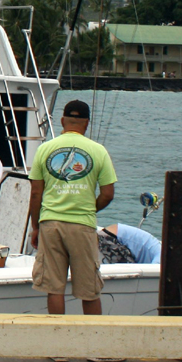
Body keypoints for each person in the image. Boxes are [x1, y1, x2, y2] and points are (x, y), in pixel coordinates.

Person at [28, 100, 116, 317]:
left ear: (62, 121)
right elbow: (107, 194)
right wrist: (89, 209)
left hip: (50, 224)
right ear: (87, 123)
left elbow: (35, 193)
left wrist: (36, 227)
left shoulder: (44, 149)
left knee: (54, 288)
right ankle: (93, 345)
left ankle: (57, 342)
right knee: (89, 290)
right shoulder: (99, 151)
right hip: (82, 225)